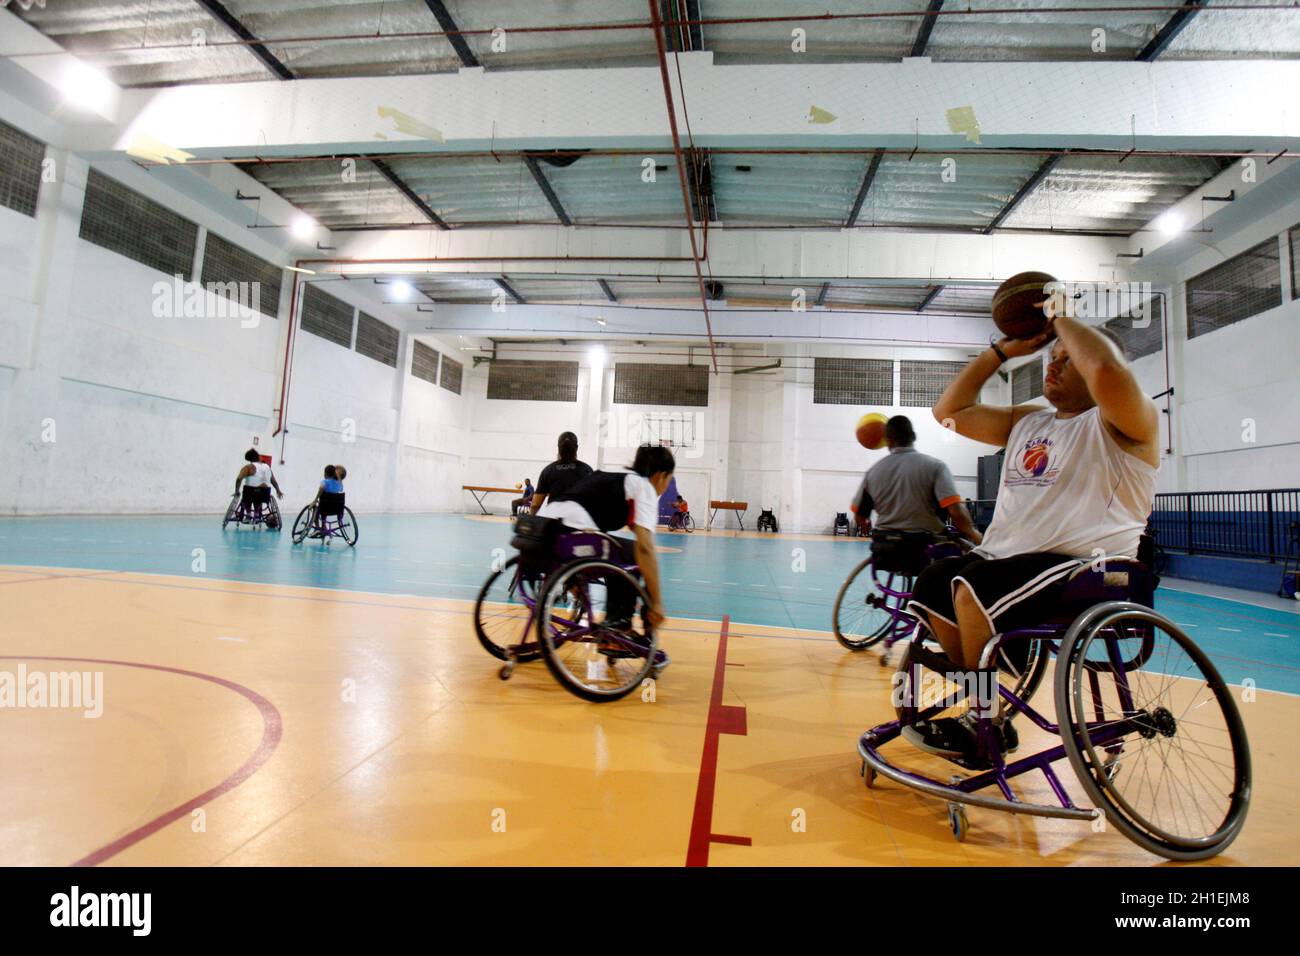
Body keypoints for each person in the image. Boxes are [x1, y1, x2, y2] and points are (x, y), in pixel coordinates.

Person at [904, 310, 1158, 768]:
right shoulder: (1031, 421)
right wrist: (998, 353)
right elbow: (949, 415)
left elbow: (1106, 368)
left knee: (973, 588)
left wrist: (1058, 316)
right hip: (1010, 562)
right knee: (935, 581)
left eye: (1066, 359)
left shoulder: (1125, 422)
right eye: (1051, 357)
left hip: (1087, 567)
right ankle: (987, 705)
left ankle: (983, 717)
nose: (1052, 365)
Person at [537, 444, 675, 662]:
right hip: (571, 533)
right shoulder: (643, 486)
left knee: (616, 548)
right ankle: (619, 627)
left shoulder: (614, 477)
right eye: (669, 480)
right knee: (631, 555)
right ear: (661, 476)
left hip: (544, 530)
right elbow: (645, 548)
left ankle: (613, 622)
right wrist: (656, 602)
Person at [850, 415, 981, 545]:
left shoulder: (873, 472)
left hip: (885, 547)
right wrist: (974, 534)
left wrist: (867, 523)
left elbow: (860, 517)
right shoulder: (936, 467)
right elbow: (955, 512)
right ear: (913, 436)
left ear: (887, 441)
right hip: (925, 545)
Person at [530, 431, 593, 512]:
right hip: (577, 522)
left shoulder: (548, 470)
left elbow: (535, 505)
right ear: (576, 448)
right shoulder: (587, 470)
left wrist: (529, 522)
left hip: (554, 520)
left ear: (558, 447)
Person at [234, 448, 283, 520]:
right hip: (265, 494)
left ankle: (248, 514)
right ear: (258, 457)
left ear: (249, 459)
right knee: (258, 496)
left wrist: (237, 491)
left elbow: (239, 479)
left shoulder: (248, 467)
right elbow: (274, 481)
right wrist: (278, 491)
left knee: (248, 493)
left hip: (250, 493)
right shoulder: (267, 467)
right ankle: (257, 514)